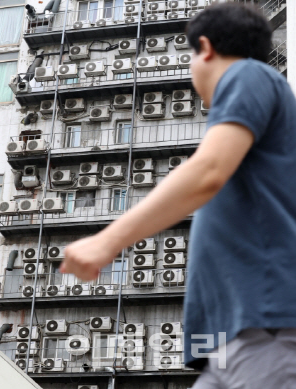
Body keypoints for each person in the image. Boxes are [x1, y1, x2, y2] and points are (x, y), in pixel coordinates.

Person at [60, 3, 296, 388]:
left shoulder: (248, 74)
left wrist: (107, 241)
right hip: (226, 342)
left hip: (264, 327)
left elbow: (207, 172)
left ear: (204, 48)